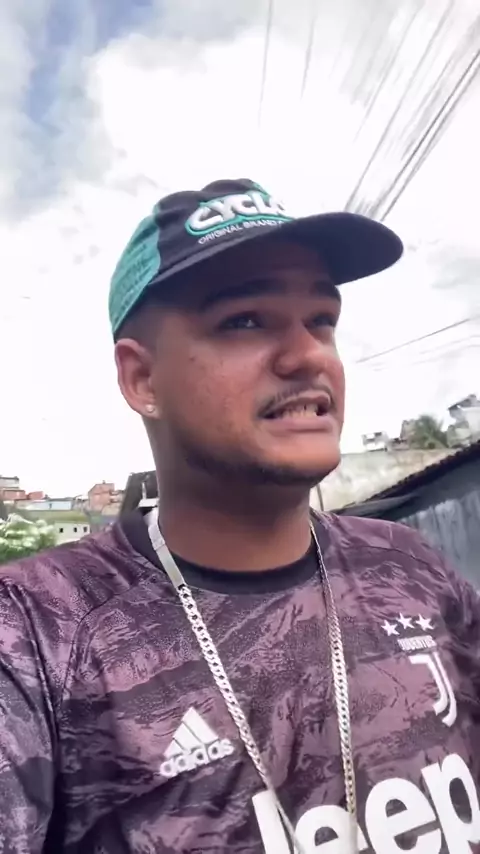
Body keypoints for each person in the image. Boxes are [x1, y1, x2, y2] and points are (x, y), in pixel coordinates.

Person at [0, 178, 478, 854]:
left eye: (322, 319)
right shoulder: (37, 632)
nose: (309, 355)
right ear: (142, 379)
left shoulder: (410, 568)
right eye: (246, 321)